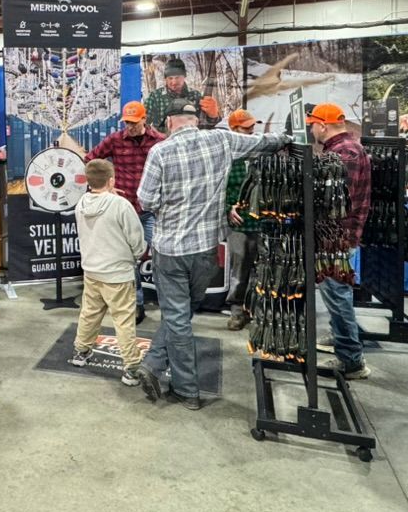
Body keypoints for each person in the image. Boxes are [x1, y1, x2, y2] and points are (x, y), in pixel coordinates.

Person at [136, 100, 289, 410]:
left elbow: (146, 200)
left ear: (169, 122)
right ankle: (151, 363)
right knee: (182, 313)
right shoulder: (220, 139)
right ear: (195, 120)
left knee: (177, 318)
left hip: (171, 250)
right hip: (206, 251)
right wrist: (287, 138)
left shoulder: (160, 152)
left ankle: (186, 390)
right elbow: (261, 143)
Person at [308, 103, 373, 380]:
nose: (311, 130)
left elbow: (331, 200)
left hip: (337, 239)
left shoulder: (344, 153)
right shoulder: (345, 148)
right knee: (337, 294)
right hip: (337, 236)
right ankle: (342, 339)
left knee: (337, 295)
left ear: (323, 124)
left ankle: (351, 360)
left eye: (313, 124)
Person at [85, 100, 165, 324]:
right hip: (124, 209)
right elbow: (91, 159)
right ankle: (137, 304)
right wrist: (106, 186)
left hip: (151, 210)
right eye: (126, 122)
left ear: (143, 119)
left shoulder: (159, 142)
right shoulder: (115, 140)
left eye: (133, 122)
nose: (129, 126)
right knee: (129, 260)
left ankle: (168, 303)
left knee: (160, 255)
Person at [71, 159, 146, 387]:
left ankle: (81, 353)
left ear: (88, 180)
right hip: (118, 274)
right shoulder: (121, 205)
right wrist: (136, 256)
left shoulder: (81, 203)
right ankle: (131, 367)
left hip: (92, 271)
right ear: (111, 179)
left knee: (90, 313)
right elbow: (137, 241)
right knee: (123, 320)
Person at [223, 109, 263, 331]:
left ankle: (256, 310)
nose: (251, 130)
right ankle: (237, 312)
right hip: (238, 223)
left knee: (261, 268)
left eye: (251, 126)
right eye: (245, 127)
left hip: (261, 221)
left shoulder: (261, 152)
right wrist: (228, 208)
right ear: (233, 129)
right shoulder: (226, 156)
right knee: (239, 269)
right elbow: (217, 190)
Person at [144, 57, 204, 134]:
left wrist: (213, 116)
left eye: (177, 78)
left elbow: (205, 124)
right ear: (165, 79)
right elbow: (143, 122)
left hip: (190, 139)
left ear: (184, 76)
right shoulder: (155, 96)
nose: (174, 82)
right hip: (164, 141)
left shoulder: (196, 95)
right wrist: (157, 136)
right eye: (170, 78)